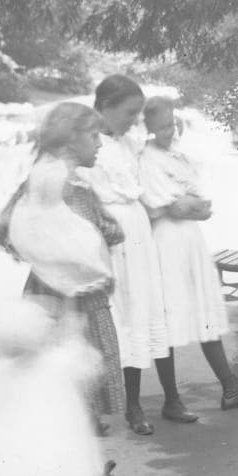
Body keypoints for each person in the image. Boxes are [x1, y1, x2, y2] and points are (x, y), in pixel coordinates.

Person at [0, 102, 128, 436]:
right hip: (79, 298)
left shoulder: (37, 178)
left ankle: (81, 470)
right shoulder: (74, 188)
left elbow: (1, 225)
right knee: (79, 375)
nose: (99, 143)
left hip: (43, 292)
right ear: (70, 140)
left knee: (54, 380)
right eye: (93, 135)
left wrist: (39, 255)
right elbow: (110, 231)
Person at [83, 74, 197, 436]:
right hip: (109, 238)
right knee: (119, 322)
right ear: (104, 107)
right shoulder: (86, 143)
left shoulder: (129, 142)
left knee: (150, 311)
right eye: (129, 112)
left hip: (139, 234)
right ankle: (127, 406)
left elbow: (158, 143)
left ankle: (171, 397)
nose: (135, 120)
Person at [138, 96, 238, 410]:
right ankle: (172, 399)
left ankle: (230, 389)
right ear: (150, 126)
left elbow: (201, 203)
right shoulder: (146, 158)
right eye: (163, 125)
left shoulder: (178, 156)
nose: (169, 130)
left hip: (190, 240)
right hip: (166, 243)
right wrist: (186, 205)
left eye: (172, 123)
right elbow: (166, 204)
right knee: (168, 317)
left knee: (205, 311)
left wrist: (190, 205)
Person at [0, 298, 134, 476]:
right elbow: (91, 364)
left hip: (8, 475)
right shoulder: (57, 364)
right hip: (60, 471)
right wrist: (74, 331)